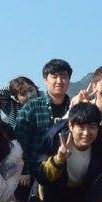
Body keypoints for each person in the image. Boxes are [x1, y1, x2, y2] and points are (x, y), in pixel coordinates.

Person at [13, 59, 73, 192]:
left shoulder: (74, 107)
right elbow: (20, 142)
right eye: (54, 76)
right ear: (45, 80)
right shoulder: (31, 107)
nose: (59, 81)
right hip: (37, 173)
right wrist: (24, 171)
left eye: (64, 77)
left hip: (69, 174)